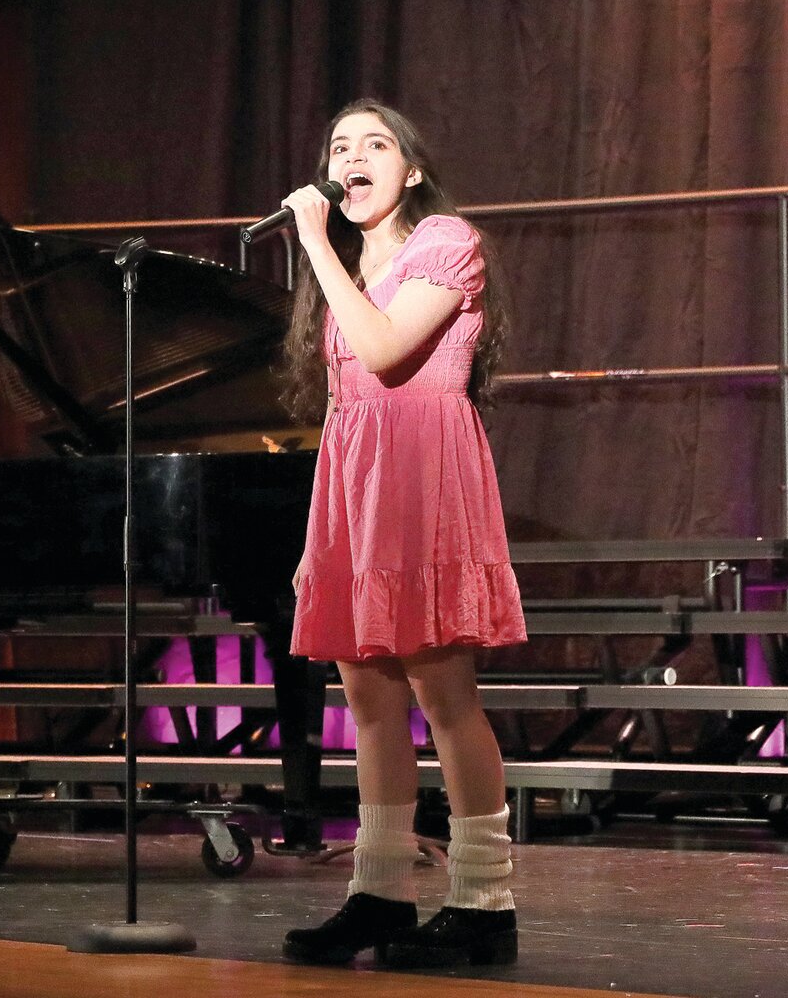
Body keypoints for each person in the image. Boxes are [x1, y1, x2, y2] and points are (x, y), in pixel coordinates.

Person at [276, 99, 527, 969]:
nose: (352, 156)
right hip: (355, 482)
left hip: (424, 476)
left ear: (410, 171)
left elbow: (387, 353)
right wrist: (326, 531)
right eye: (339, 145)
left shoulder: (446, 240)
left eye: (373, 144)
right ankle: (378, 894)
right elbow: (349, 399)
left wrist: (313, 245)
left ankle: (485, 902)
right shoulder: (344, 269)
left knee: (442, 696)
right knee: (369, 705)